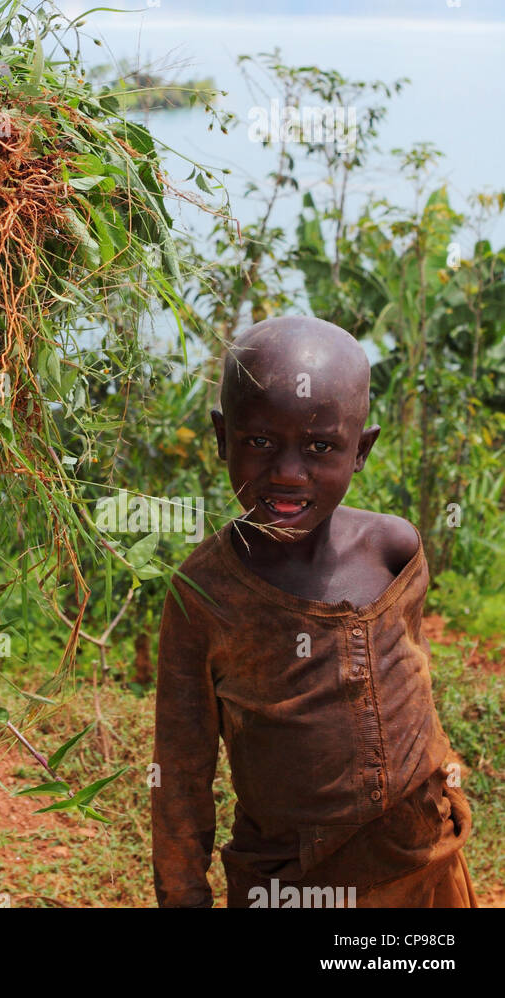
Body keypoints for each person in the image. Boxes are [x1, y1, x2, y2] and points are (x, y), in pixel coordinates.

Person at [151, 315, 475, 909]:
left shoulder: (394, 553)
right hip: (293, 883)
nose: (288, 472)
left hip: (420, 858)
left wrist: (441, 780)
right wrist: (183, 895)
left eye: (321, 446)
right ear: (224, 438)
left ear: (362, 451)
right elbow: (180, 767)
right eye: (259, 442)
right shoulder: (204, 593)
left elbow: (413, 682)